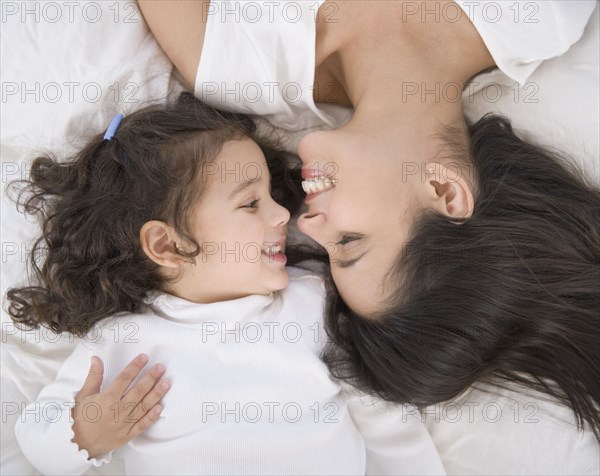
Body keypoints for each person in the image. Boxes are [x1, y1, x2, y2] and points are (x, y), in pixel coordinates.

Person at [135, 1, 600, 473]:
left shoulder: (233, 64)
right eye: (350, 242)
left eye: (327, 251)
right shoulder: (538, 16)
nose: (308, 225)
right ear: (444, 191)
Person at [7, 93, 446, 475]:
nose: (281, 216)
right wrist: (86, 432)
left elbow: (385, 418)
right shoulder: (123, 342)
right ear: (168, 243)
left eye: (273, 197)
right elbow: (37, 441)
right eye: (251, 203)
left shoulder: (312, 302)